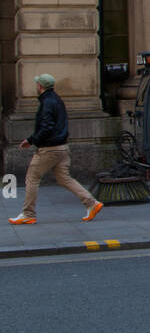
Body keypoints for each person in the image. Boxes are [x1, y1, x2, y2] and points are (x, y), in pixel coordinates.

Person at [10, 74, 103, 225]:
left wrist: (32, 140)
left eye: (37, 84)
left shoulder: (46, 102)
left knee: (32, 178)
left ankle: (28, 214)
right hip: (63, 147)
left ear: (40, 86)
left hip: (49, 149)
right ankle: (91, 203)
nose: (36, 87)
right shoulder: (58, 100)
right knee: (64, 178)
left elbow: (46, 126)